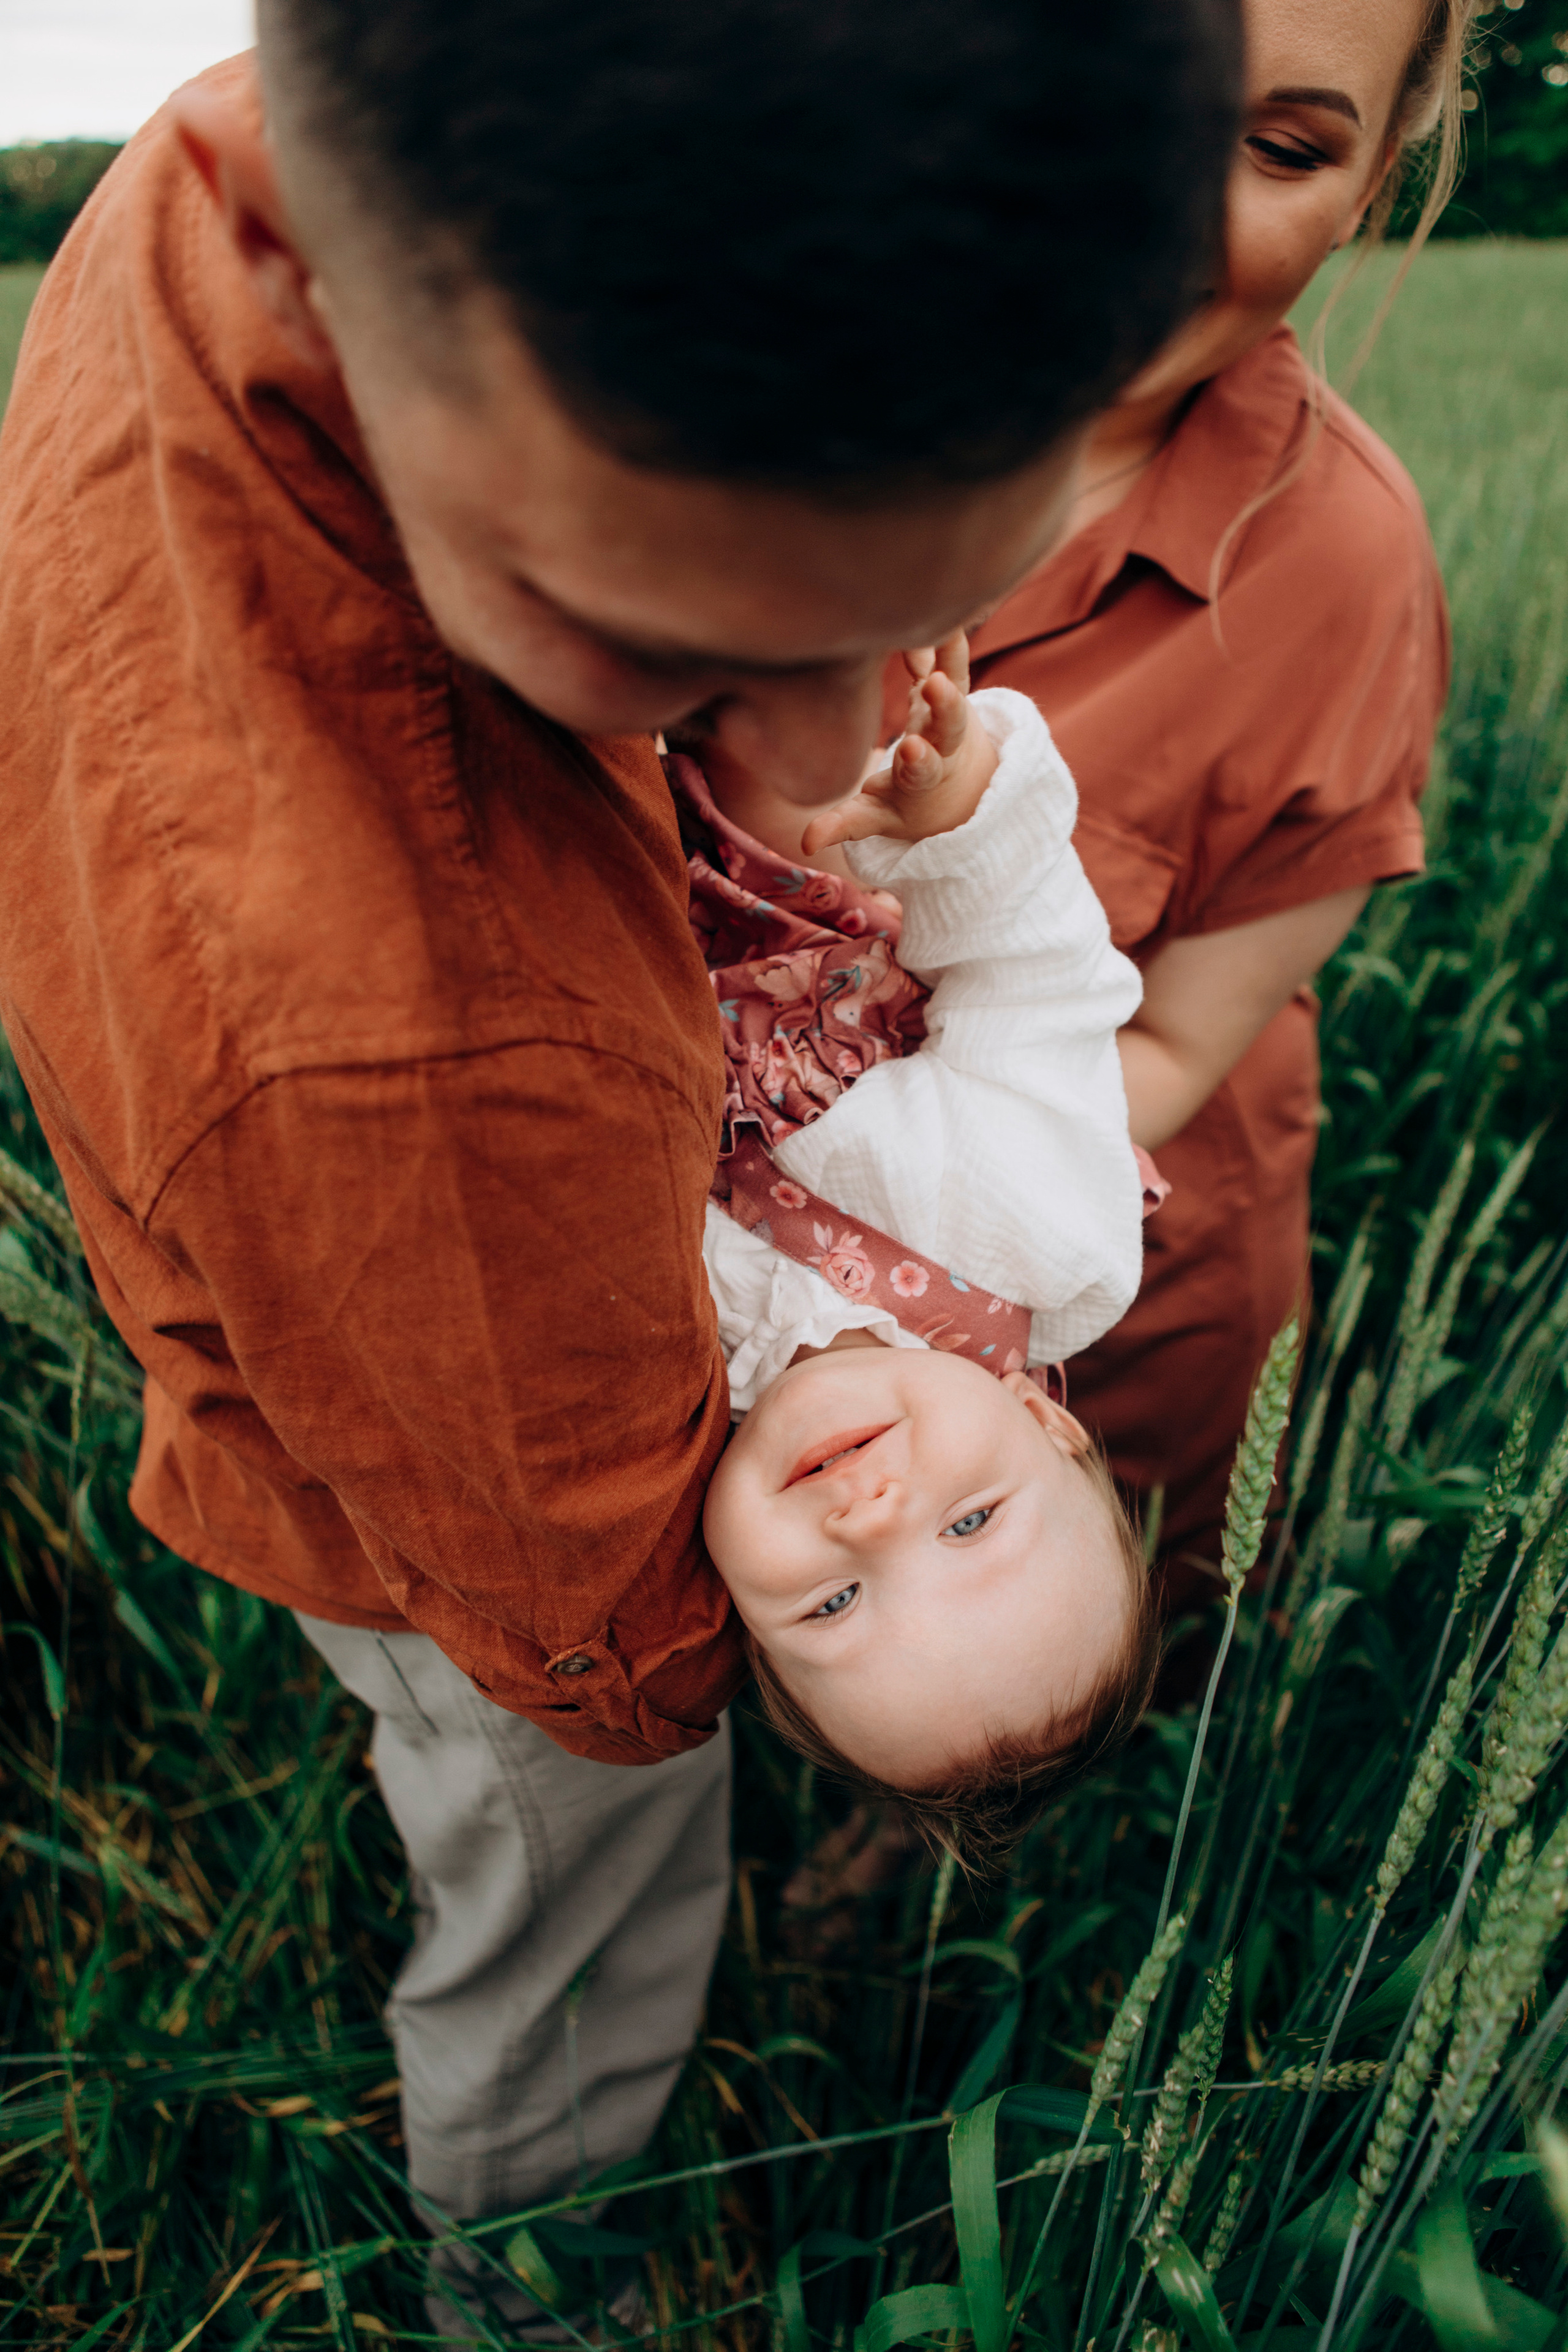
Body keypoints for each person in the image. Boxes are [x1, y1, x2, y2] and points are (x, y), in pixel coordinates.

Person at [0, 0, 1240, 2321]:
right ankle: (531, 2266)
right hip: (485, 1550)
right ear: (1055, 1411)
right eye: (677, 640)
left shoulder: (298, 187)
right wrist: (975, 856)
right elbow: (601, 1646)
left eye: (906, 602)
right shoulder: (479, 1123)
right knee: (567, 1902)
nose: (823, 752)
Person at [970, 0, 1463, 1610]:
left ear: (1375, 178)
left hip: (1106, 1296)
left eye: (1280, 146)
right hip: (721, 1264)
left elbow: (1173, 1052)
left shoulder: (1341, 561)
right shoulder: (725, 406)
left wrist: (802, 1176)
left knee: (1073, 1705)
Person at [674, 647, 1161, 1864]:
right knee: (785, 727)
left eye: (831, 1603)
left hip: (583, 952)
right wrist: (956, 825)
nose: (872, 1517)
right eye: (968, 1525)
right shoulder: (1044, 1241)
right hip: (775, 886)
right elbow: (1034, 991)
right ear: (1048, 1427)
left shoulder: (662, 1412)